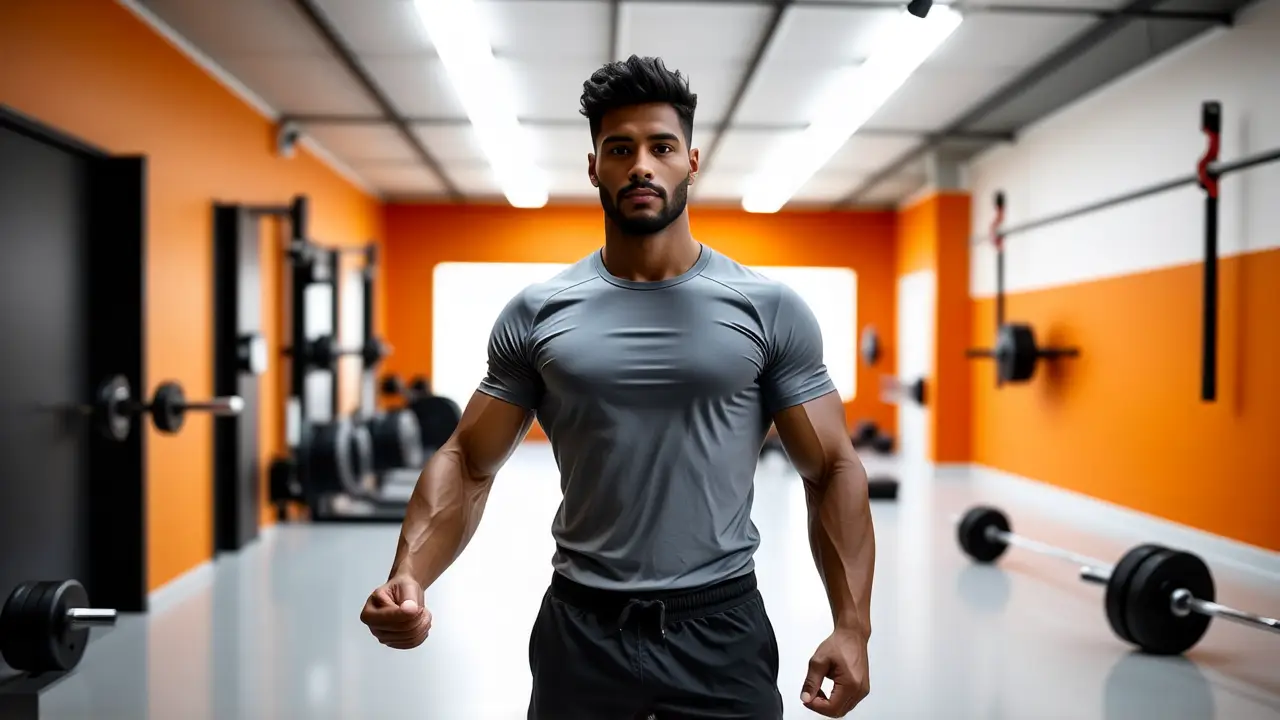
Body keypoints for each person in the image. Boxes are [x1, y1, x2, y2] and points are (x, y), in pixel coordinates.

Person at [359, 55, 876, 720]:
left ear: (691, 160)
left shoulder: (767, 309)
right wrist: (410, 575)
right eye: (619, 148)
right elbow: (466, 459)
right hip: (582, 631)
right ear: (594, 166)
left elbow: (832, 467)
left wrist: (853, 626)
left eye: (661, 147)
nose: (641, 166)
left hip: (720, 627)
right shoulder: (538, 312)